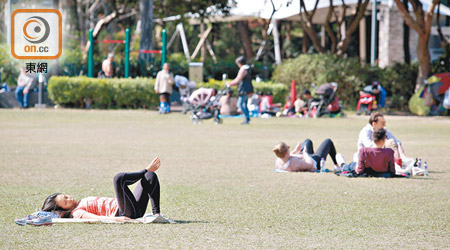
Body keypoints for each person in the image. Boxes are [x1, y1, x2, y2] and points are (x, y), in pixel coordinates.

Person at [41, 157, 162, 221]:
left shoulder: (80, 202)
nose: (69, 199)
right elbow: (96, 218)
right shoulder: (76, 212)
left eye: (66, 196)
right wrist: (116, 219)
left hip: (133, 208)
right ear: (63, 209)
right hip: (123, 212)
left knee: (149, 176)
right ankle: (145, 169)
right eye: (66, 202)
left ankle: (157, 214)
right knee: (118, 179)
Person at [273, 138, 340, 172]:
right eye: (288, 148)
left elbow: (288, 156)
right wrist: (305, 153)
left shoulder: (279, 161)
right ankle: (337, 165)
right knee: (328, 141)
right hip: (314, 161)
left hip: (305, 157)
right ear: (286, 152)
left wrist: (295, 151)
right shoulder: (295, 163)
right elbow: (311, 165)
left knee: (307, 141)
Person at [226, 56, 254, 125]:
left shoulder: (243, 69)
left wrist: (231, 83)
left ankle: (247, 118)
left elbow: (238, 79)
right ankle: (247, 119)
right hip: (248, 88)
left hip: (244, 89)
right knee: (244, 104)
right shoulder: (248, 69)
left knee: (240, 104)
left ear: (239, 63)